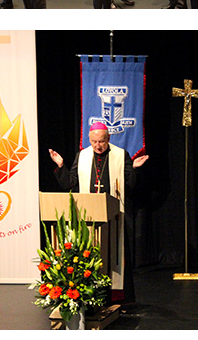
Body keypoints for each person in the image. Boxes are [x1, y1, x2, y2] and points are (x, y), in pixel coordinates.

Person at [49, 123, 149, 308]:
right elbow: (69, 184)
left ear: (108, 139)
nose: (98, 146)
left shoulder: (120, 155)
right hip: (89, 217)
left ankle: (116, 298)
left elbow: (131, 185)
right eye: (94, 142)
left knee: (115, 256)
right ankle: (90, 296)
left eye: (102, 141)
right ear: (89, 140)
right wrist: (61, 166)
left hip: (114, 216)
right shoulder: (83, 156)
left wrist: (134, 169)